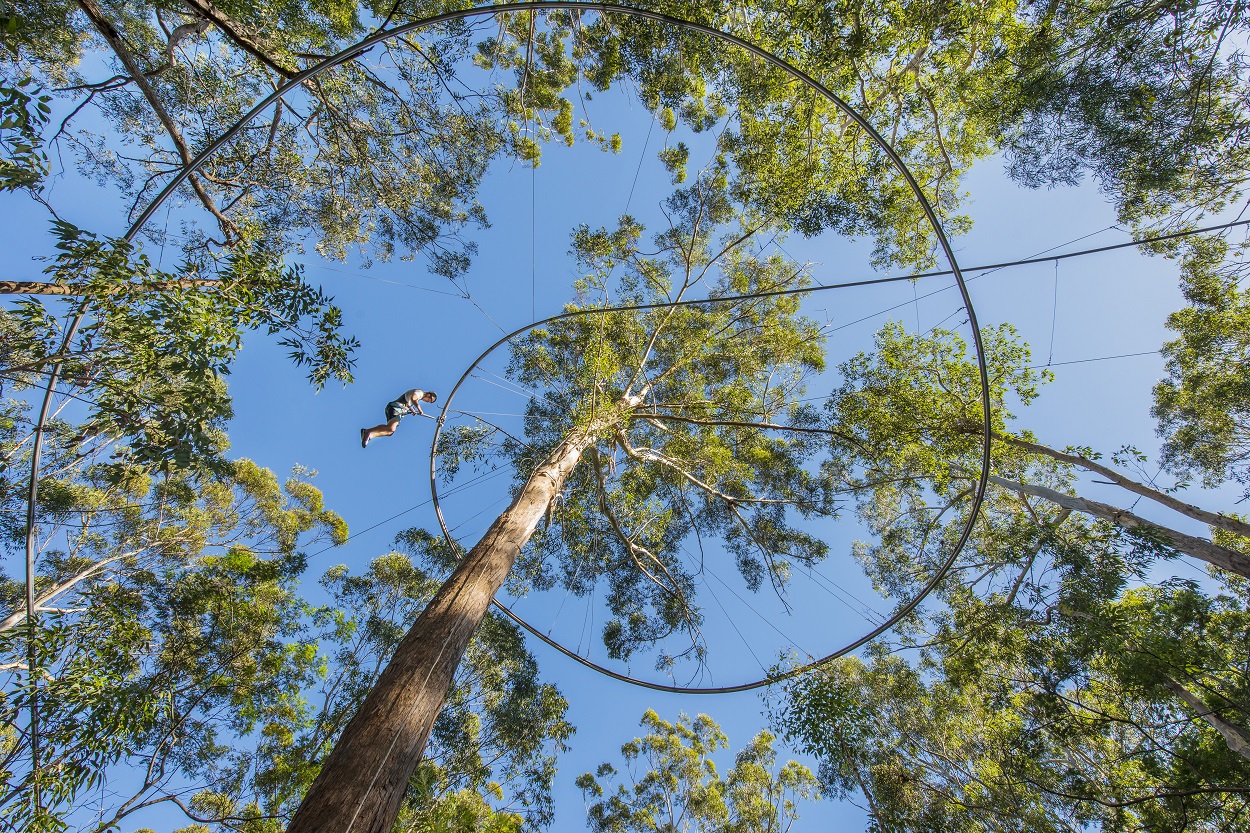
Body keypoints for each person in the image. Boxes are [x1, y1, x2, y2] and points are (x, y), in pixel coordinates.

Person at [361, 388, 437, 447]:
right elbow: (414, 398)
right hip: (396, 408)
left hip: (393, 408)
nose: (426, 402)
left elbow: (408, 401)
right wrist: (419, 410)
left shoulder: (418, 396)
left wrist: (412, 410)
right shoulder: (420, 393)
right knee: (391, 429)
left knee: (390, 432)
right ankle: (368, 431)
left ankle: (370, 436)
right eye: (428, 400)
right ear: (428, 395)